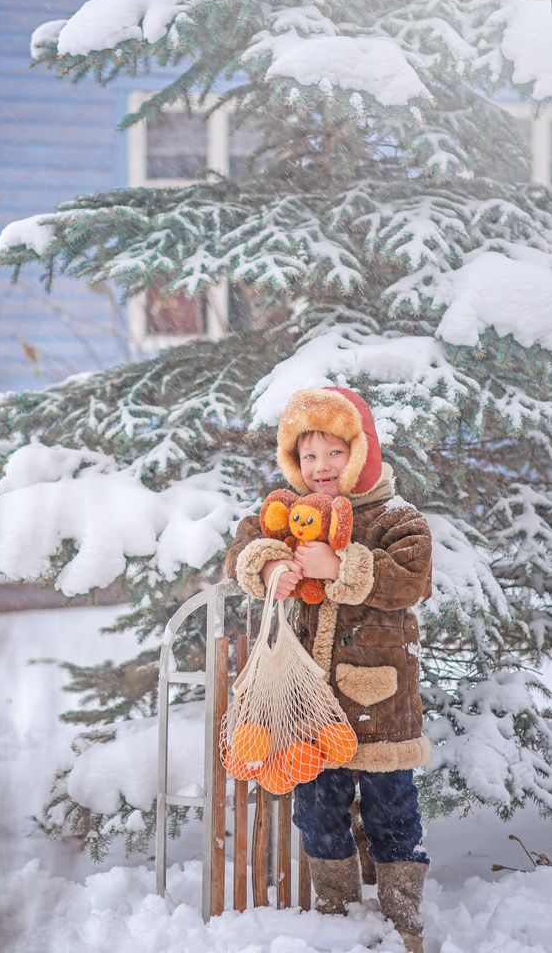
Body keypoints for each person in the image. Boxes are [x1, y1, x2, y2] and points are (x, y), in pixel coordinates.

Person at [225, 386, 433, 953]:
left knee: (392, 810)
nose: (321, 468)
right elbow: (242, 546)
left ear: (361, 453)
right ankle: (336, 910)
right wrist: (268, 566)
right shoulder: (287, 516)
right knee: (318, 812)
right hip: (309, 707)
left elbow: (413, 578)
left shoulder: (395, 517)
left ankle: (402, 913)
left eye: (335, 453)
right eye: (308, 456)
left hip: (380, 702)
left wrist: (344, 564)